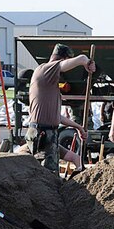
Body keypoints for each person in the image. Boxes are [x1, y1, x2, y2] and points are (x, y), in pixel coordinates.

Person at [25, 43, 95, 173]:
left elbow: (56, 117)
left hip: (48, 134)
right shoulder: (46, 70)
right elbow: (79, 60)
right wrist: (85, 61)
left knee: (74, 157)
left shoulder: (49, 86)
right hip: (42, 134)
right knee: (48, 176)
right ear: (64, 59)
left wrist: (78, 127)